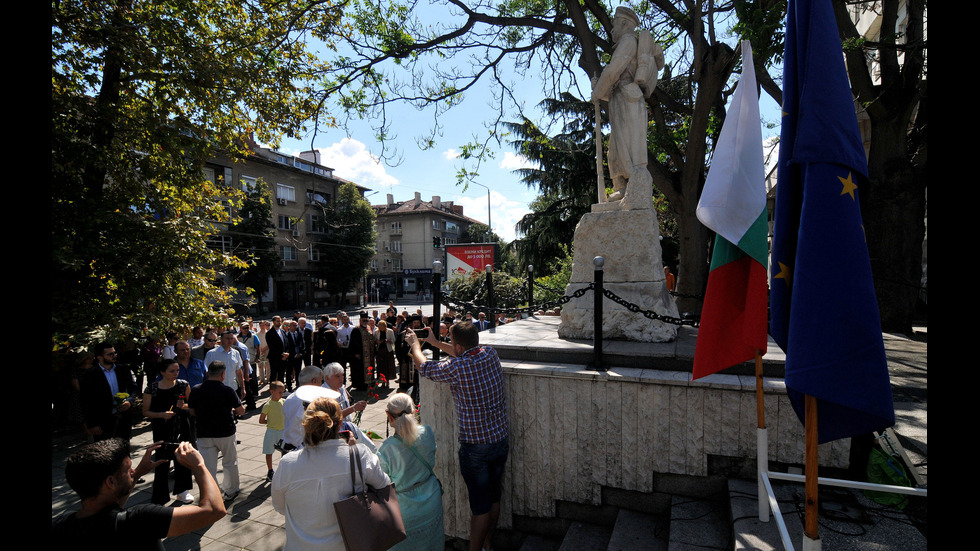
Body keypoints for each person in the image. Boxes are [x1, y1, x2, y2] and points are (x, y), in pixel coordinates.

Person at [405, 321, 509, 551]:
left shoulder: (458, 368)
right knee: (494, 498)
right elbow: (461, 352)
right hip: (500, 440)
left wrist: (415, 346)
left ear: (459, 347)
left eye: (452, 343)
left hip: (476, 448)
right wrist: (433, 342)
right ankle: (488, 545)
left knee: (480, 507)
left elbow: (425, 368)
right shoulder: (490, 354)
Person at [52, 438, 226, 549]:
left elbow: (110, 506)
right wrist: (199, 465)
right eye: (128, 469)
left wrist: (135, 476)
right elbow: (213, 510)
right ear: (111, 482)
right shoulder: (139, 521)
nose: (133, 470)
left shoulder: (60, 525)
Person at [272, 396, 391, 551]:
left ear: (307, 424)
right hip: (349, 544)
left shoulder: (288, 463)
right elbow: (385, 486)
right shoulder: (359, 455)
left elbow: (279, 505)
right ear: (340, 423)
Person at [591, 6, 664, 207]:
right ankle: (622, 189)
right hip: (620, 97)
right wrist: (600, 90)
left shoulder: (628, 42)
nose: (612, 27)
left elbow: (613, 71)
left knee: (627, 146)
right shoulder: (627, 42)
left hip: (627, 99)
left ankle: (630, 188)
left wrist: (597, 92)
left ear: (624, 23)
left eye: (615, 23)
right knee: (617, 147)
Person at [377, 393, 445, 551]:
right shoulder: (427, 433)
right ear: (413, 410)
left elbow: (381, 483)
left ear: (389, 416)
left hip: (405, 511)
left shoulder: (386, 449)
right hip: (432, 501)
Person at [188, 361, 245, 502]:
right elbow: (240, 410)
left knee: (208, 466)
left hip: (204, 433)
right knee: (230, 462)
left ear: (208, 373)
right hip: (225, 432)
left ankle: (211, 493)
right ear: (223, 374)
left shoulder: (196, 389)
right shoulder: (227, 390)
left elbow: (192, 411)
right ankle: (231, 490)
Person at [142, 359, 195, 504]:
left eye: (177, 370)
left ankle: (182, 491)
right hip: (162, 428)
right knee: (161, 460)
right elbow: (145, 411)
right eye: (172, 371)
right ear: (162, 372)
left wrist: (182, 406)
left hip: (181, 426)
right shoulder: (152, 388)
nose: (175, 374)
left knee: (182, 457)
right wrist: (161, 414)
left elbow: (191, 406)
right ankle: (160, 494)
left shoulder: (183, 385)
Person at [80, 342, 138, 442]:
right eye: (110, 354)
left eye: (115, 353)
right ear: (99, 357)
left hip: (123, 418)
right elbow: (86, 401)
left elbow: (133, 388)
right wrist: (92, 424)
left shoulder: (123, 369)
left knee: (124, 451)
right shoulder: (89, 375)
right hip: (102, 421)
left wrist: (129, 401)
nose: (114, 356)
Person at [281, 366, 341, 451]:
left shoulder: (290, 398)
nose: (322, 384)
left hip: (288, 446)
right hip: (302, 449)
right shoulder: (308, 402)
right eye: (321, 381)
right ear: (314, 381)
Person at [204, 330, 246, 403]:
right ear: (221, 340)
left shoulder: (236, 353)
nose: (230, 341)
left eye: (231, 338)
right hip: (217, 391)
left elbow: (239, 372)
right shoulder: (212, 354)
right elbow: (206, 372)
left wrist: (243, 388)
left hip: (233, 389)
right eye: (227, 338)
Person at [260, 381, 287, 482]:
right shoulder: (268, 405)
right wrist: (270, 421)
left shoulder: (283, 401)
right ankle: (270, 470)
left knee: (284, 451)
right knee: (269, 451)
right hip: (271, 431)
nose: (282, 394)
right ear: (272, 392)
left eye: (282, 392)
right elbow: (261, 420)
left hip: (282, 431)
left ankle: (283, 468)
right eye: (279, 392)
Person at [347, 312, 376, 391]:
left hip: (369, 355)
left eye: (367, 321)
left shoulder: (369, 328)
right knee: (360, 370)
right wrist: (355, 353)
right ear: (360, 321)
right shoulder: (356, 330)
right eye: (364, 321)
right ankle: (361, 384)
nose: (365, 322)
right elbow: (353, 343)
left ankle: (370, 382)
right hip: (360, 355)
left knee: (370, 369)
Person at [375, 319, 396, 387]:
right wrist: (378, 342)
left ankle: (387, 382)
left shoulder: (390, 331)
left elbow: (393, 340)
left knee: (388, 366)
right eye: (380, 328)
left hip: (388, 351)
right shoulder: (376, 332)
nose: (382, 329)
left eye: (383, 327)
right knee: (381, 367)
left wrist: (389, 341)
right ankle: (382, 381)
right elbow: (375, 340)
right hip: (380, 351)